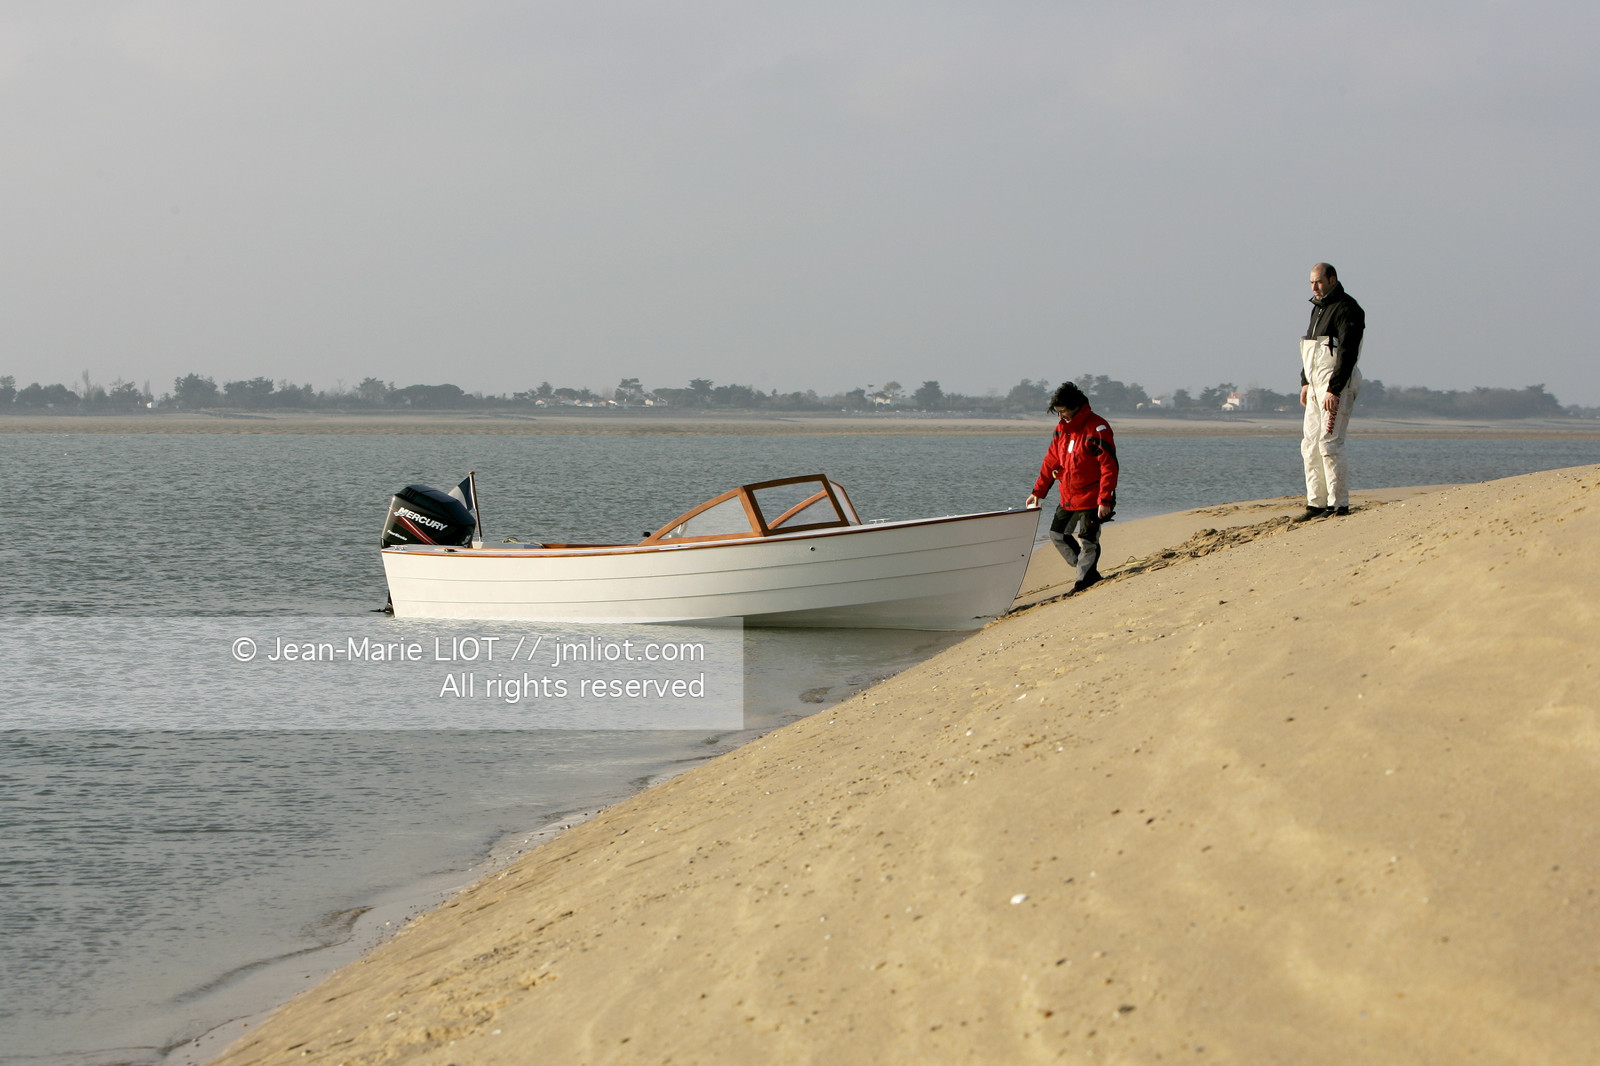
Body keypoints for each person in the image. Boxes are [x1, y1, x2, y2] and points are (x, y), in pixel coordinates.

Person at [1025, 382, 1118, 592]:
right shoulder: (1061, 430)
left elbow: (1109, 467)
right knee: (1057, 535)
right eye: (1058, 412)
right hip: (1068, 496)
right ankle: (1086, 571)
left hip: (1093, 497)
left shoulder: (1098, 428)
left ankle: (1083, 582)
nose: (1061, 416)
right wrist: (1037, 492)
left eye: (1064, 411)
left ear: (1076, 406)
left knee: (1087, 539)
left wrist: (1105, 500)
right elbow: (1051, 462)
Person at [1296, 262, 1365, 521]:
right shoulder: (1317, 310)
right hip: (1314, 388)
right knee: (1310, 445)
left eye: (1319, 282)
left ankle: (1338, 505)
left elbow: (1347, 353)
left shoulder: (1348, 309)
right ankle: (1316, 503)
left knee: (1330, 443)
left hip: (1335, 388)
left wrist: (1334, 390)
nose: (1314, 287)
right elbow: (1310, 350)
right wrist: (1305, 382)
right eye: (1311, 283)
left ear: (1332, 280)